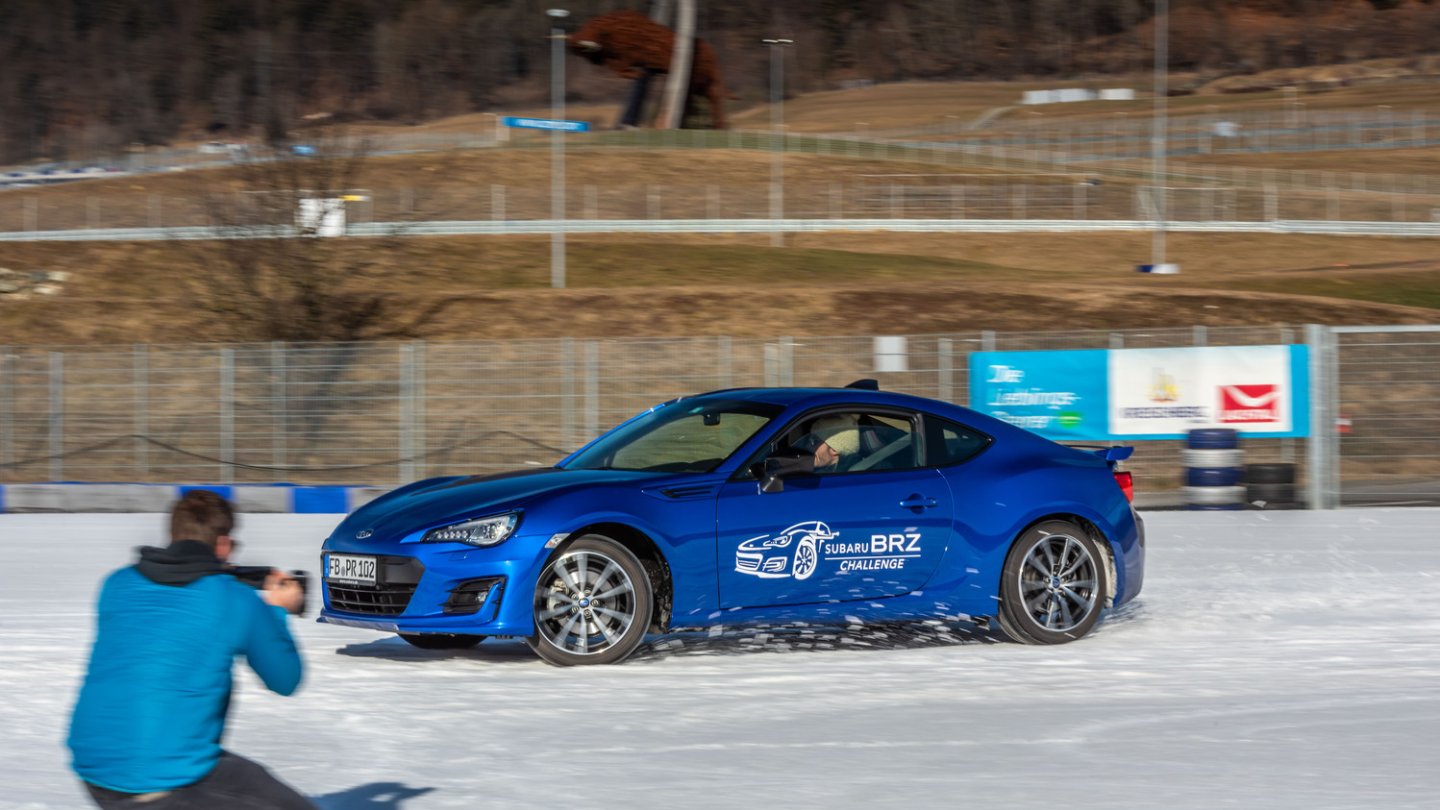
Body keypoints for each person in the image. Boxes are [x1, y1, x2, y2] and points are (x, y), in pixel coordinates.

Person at [67, 489, 312, 809]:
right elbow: (286, 678)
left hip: (93, 766)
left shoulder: (117, 584)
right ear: (223, 544)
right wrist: (276, 610)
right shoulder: (232, 599)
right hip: (168, 774)